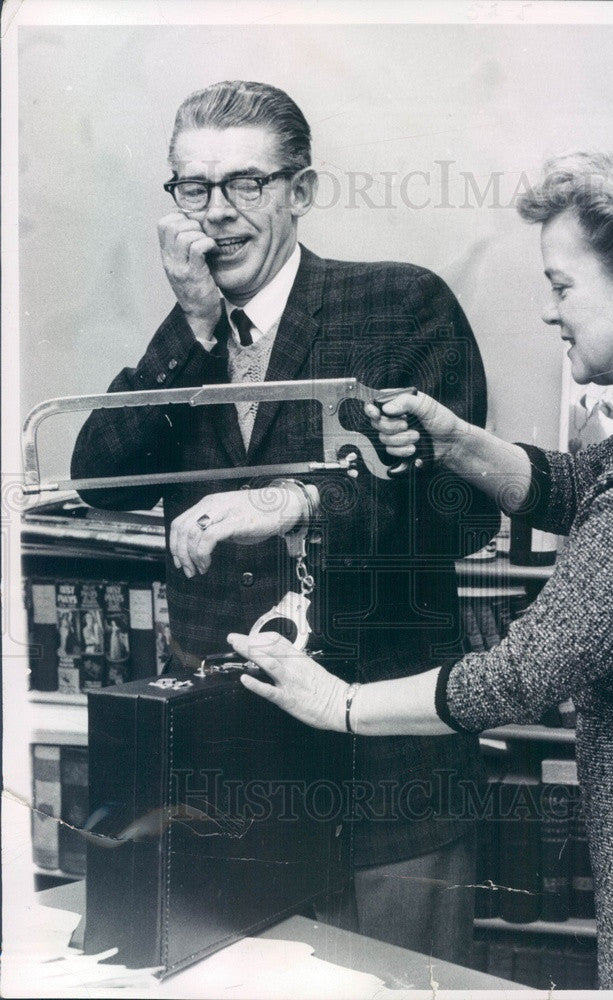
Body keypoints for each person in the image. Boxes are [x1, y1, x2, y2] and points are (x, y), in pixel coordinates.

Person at [229, 151, 613, 990]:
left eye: (561, 285)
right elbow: (589, 488)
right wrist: (458, 441)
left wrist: (334, 704)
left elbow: (517, 678)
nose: (548, 312)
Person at [70, 81, 499, 962]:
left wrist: (293, 504)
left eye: (245, 185)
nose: (217, 215)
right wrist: (190, 326)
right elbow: (99, 483)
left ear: (299, 192)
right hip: (231, 780)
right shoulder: (187, 338)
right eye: (194, 188)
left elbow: (456, 511)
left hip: (384, 776)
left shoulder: (398, 304)